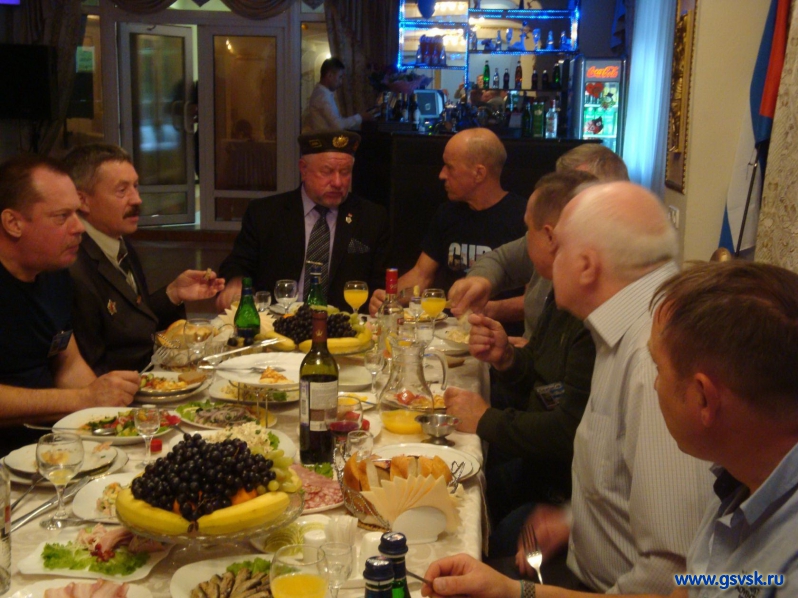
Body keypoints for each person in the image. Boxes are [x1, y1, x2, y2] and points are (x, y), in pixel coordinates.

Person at [422, 262, 798, 598]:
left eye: (659, 369)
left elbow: (667, 574)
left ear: (704, 399)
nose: (654, 384)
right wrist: (515, 592)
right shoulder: (739, 480)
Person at [443, 170, 598, 547]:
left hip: (567, 494)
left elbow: (568, 431)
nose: (524, 240)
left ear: (549, 236)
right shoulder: (561, 291)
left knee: (468, 522)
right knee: (458, 488)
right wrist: (508, 358)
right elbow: (547, 383)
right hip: (540, 468)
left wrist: (485, 418)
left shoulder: (591, 314)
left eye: (527, 230)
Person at [0, 154, 139, 450]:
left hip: (51, 442)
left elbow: (68, 362)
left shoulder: (54, 273)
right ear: (13, 223)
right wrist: (82, 399)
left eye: (76, 213)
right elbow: (79, 395)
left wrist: (111, 419)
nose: (79, 227)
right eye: (62, 217)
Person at [63, 144, 225, 375]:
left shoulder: (119, 243)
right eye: (122, 191)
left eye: (136, 187)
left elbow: (134, 323)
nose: (137, 199)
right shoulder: (73, 266)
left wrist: (173, 293)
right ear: (83, 201)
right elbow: (93, 368)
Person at [448, 143, 629, 343]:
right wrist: (481, 280)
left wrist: (529, 355)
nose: (558, 196)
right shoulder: (547, 240)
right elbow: (501, 260)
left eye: (573, 189)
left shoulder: (614, 275)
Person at [216, 131, 390, 312]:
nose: (338, 182)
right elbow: (238, 263)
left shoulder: (372, 217)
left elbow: (380, 282)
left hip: (343, 323)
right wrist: (235, 281)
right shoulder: (265, 213)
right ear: (304, 169)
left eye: (345, 172)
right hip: (278, 320)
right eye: (327, 172)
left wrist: (378, 298)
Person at [369, 128, 526, 319]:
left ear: (479, 173)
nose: (441, 174)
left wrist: (487, 309)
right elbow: (422, 275)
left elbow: (535, 299)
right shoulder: (448, 213)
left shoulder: (523, 216)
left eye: (449, 167)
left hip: (498, 330)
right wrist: (390, 297)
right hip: (446, 329)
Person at [302, 57, 373, 134]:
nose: (341, 82)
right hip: (326, 140)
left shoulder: (322, 93)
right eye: (340, 77)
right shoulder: (322, 97)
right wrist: (361, 117)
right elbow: (338, 125)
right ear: (329, 75)